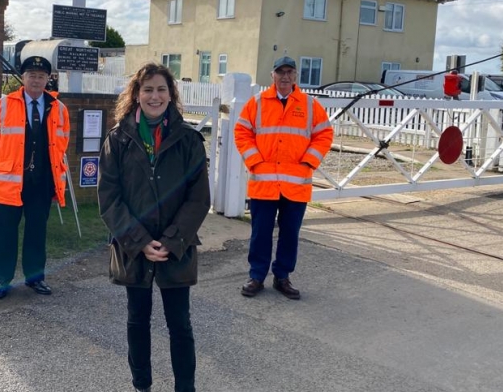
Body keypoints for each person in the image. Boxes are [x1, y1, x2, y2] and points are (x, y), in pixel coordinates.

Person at [99, 62, 210, 392]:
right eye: (147, 89)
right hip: (134, 248)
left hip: (175, 249)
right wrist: (140, 241)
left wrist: (172, 240)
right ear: (136, 94)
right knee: (137, 321)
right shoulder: (118, 140)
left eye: (161, 89)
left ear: (171, 94)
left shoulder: (189, 140)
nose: (154, 95)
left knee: (180, 325)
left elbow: (198, 198)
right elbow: (109, 197)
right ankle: (142, 384)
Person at [234, 56, 333, 300]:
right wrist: (255, 160)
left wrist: (309, 160)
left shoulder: (309, 105)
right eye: (281, 72)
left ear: (295, 76)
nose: (285, 77)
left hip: (295, 184)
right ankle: (256, 276)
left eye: (290, 72)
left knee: (290, 233)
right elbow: (242, 132)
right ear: (273, 76)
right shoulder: (256, 103)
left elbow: (324, 134)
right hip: (264, 183)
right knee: (260, 233)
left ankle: (282, 277)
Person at [0, 56, 70, 299]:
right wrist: (9, 164)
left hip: (42, 182)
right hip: (9, 182)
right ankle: (2, 280)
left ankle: (35, 279)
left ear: (48, 79)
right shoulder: (2, 106)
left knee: (37, 232)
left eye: (41, 75)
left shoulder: (59, 108)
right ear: (22, 78)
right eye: (31, 75)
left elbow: (61, 143)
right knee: (3, 233)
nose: (36, 79)